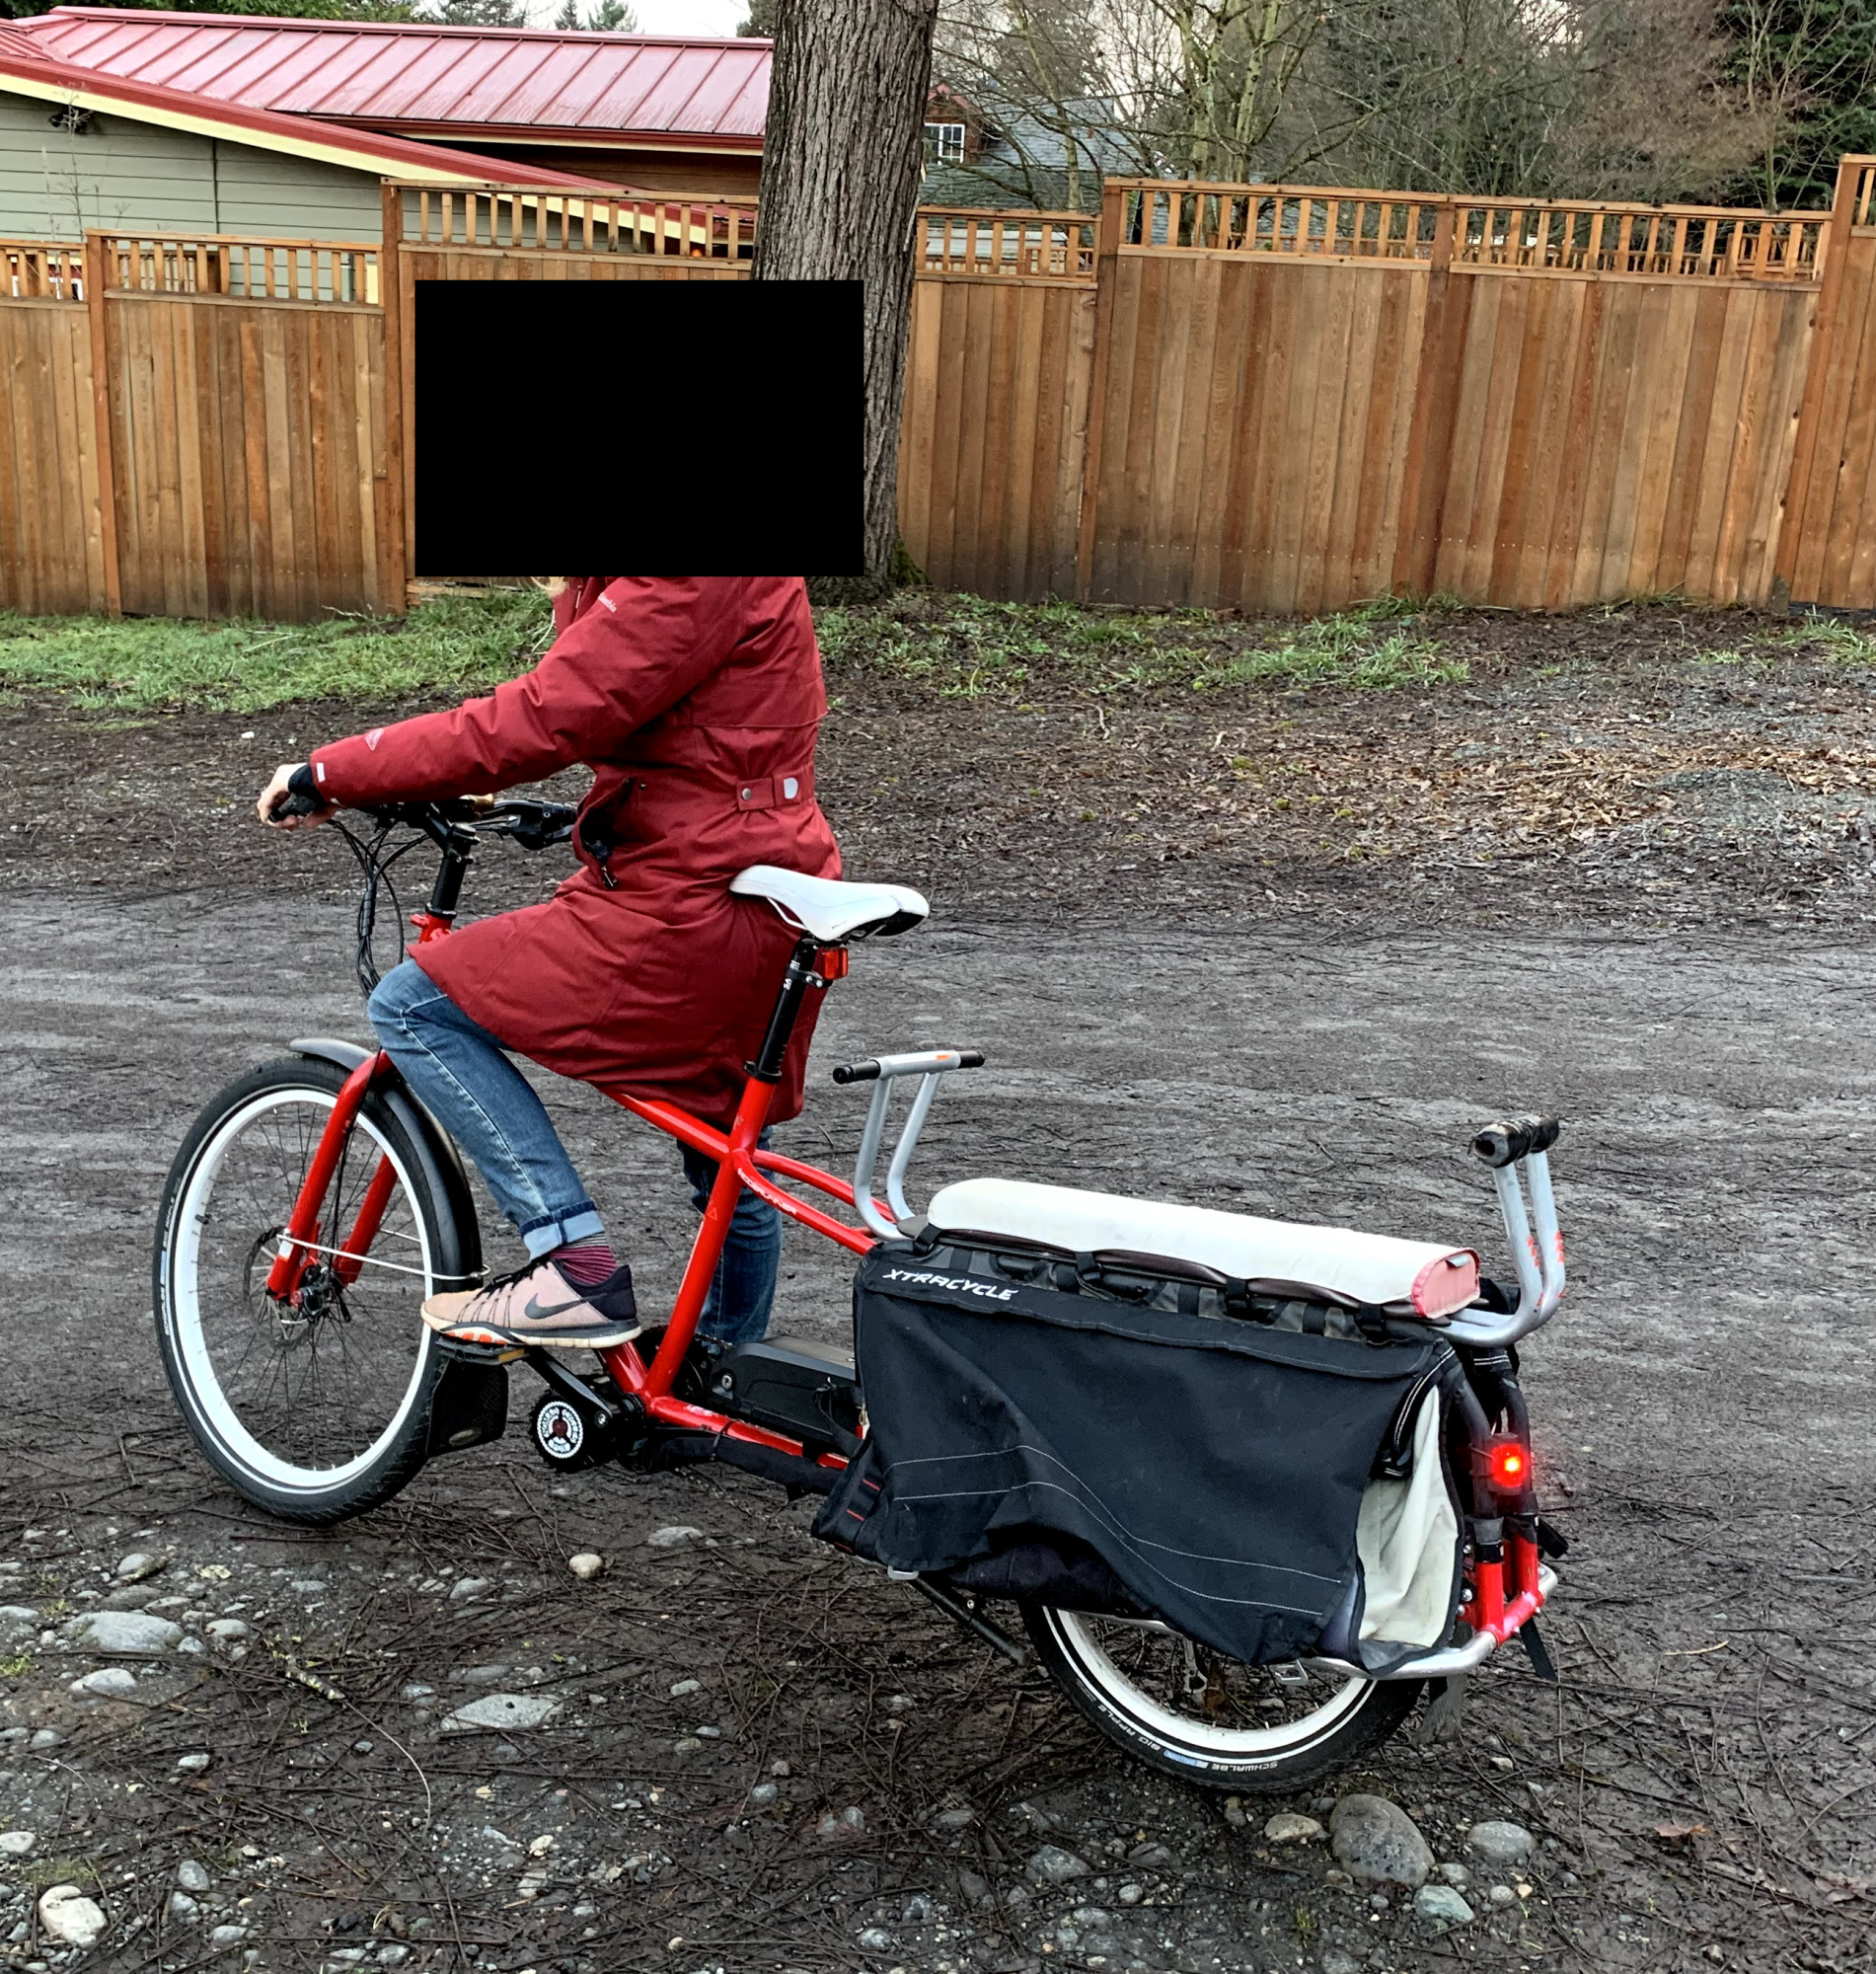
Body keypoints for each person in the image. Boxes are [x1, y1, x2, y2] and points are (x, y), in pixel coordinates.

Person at [256, 576, 841, 1353]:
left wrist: (331, 772)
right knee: (724, 1146)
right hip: (759, 878)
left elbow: (543, 717)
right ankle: (718, 1372)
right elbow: (691, 729)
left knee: (414, 1007)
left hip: (687, 901)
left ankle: (574, 1264)